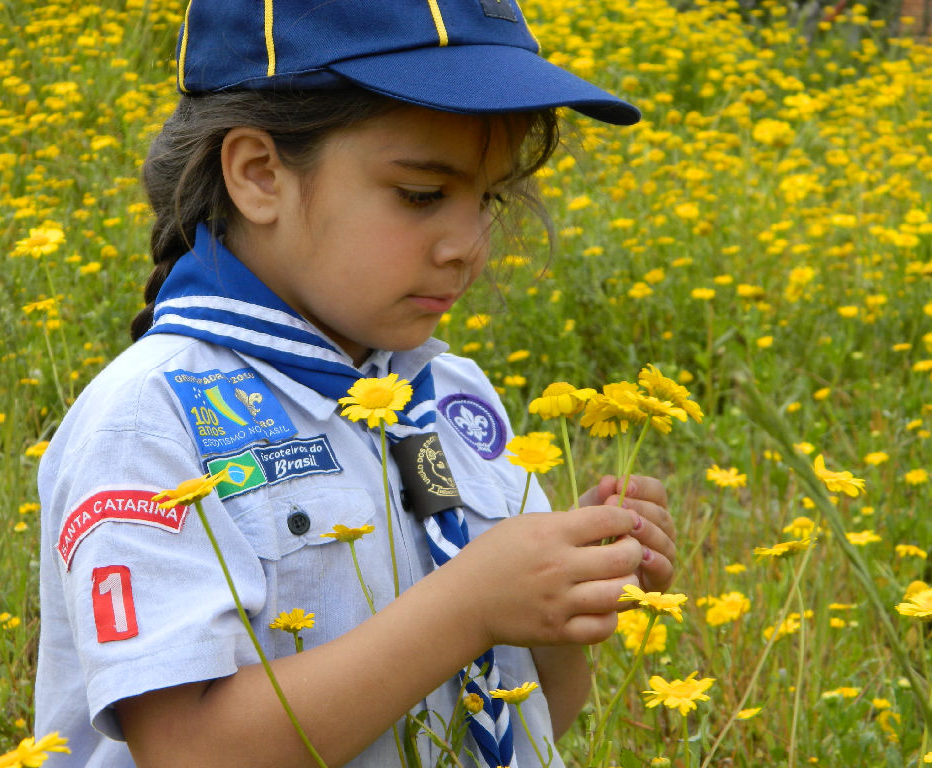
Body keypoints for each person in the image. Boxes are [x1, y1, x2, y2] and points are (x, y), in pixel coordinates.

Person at [34, 1, 677, 766]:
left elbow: (541, 717)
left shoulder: (448, 393)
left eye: (491, 199)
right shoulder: (152, 420)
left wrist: (567, 587)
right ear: (259, 175)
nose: (468, 246)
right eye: (421, 195)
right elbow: (189, 750)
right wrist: (471, 605)